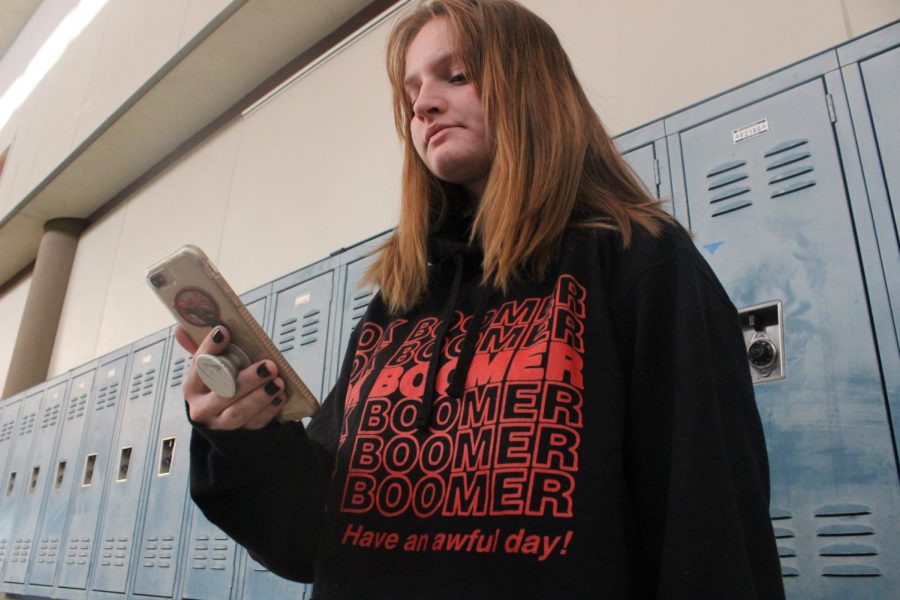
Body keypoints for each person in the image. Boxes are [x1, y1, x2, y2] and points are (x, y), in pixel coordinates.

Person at [179, 1, 785, 597]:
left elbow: (708, 530)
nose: (423, 104)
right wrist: (245, 435)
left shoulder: (639, 261)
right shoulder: (400, 300)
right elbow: (312, 538)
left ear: (531, 85)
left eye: (457, 75)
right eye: (412, 92)